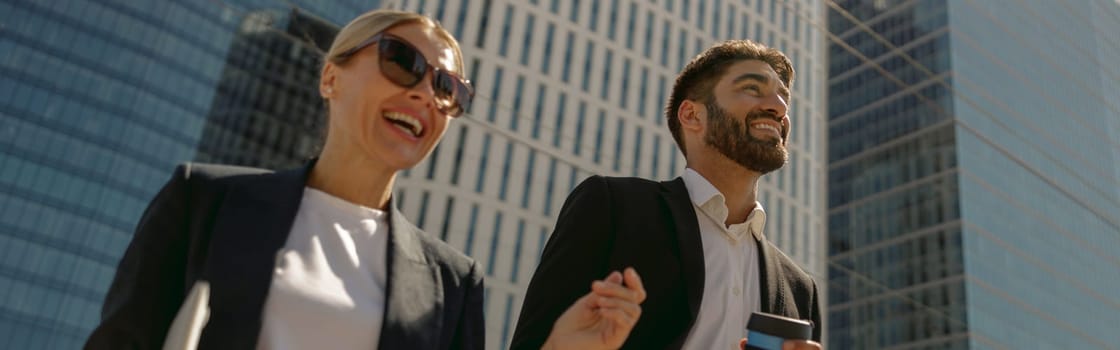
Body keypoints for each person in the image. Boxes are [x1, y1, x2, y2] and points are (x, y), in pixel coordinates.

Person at [85, 9, 644, 350]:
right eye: (402, 61)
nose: (427, 92)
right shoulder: (203, 200)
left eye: (450, 89)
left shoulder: (454, 282)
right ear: (331, 76)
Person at [510, 40, 822, 350]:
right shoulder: (612, 207)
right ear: (692, 115)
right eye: (753, 88)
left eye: (783, 97)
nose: (779, 107)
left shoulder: (800, 289)